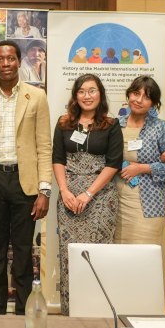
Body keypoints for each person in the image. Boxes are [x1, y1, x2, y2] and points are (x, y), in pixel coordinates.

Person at [0, 40, 52, 314]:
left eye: (11, 58)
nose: (6, 64)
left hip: (24, 183)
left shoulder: (36, 96)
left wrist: (44, 190)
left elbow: (44, 145)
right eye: (0, 59)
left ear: (19, 61)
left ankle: (25, 311)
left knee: (23, 251)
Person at [51, 74, 123, 314]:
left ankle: (98, 311)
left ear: (100, 94)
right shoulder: (64, 123)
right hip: (69, 197)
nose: (87, 96)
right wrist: (65, 191)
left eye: (92, 90)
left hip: (100, 198)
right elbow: (58, 158)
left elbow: (114, 163)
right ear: (75, 96)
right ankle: (71, 310)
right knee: (69, 253)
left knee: (98, 253)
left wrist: (88, 194)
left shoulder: (111, 125)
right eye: (82, 91)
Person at [114, 76, 165, 253]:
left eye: (146, 97)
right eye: (136, 94)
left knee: (144, 255)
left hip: (149, 204)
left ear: (153, 103)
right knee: (118, 256)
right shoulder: (115, 125)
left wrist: (143, 168)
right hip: (116, 203)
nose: (139, 100)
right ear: (129, 95)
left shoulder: (161, 128)